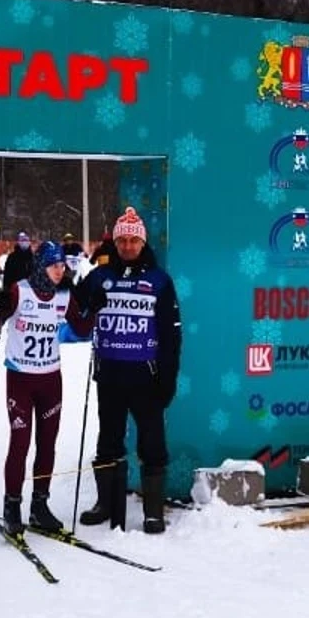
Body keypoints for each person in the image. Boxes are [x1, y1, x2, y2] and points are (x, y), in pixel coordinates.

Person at [72, 207, 182, 534]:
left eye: (134, 240)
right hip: (110, 376)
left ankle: (152, 511)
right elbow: (75, 310)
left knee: (152, 444)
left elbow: (172, 334)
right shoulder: (99, 276)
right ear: (116, 242)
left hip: (146, 378)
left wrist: (167, 377)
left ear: (142, 242)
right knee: (109, 441)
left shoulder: (159, 280)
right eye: (122, 240)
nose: (128, 246)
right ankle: (106, 502)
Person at [0, 241, 91, 534]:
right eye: (54, 265)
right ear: (41, 266)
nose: (60, 270)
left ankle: (39, 506)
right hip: (20, 379)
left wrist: (96, 307)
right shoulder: (20, 290)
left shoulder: (64, 295)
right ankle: (12, 505)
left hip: (50, 380)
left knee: (47, 443)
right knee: (20, 442)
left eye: (62, 265)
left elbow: (81, 329)